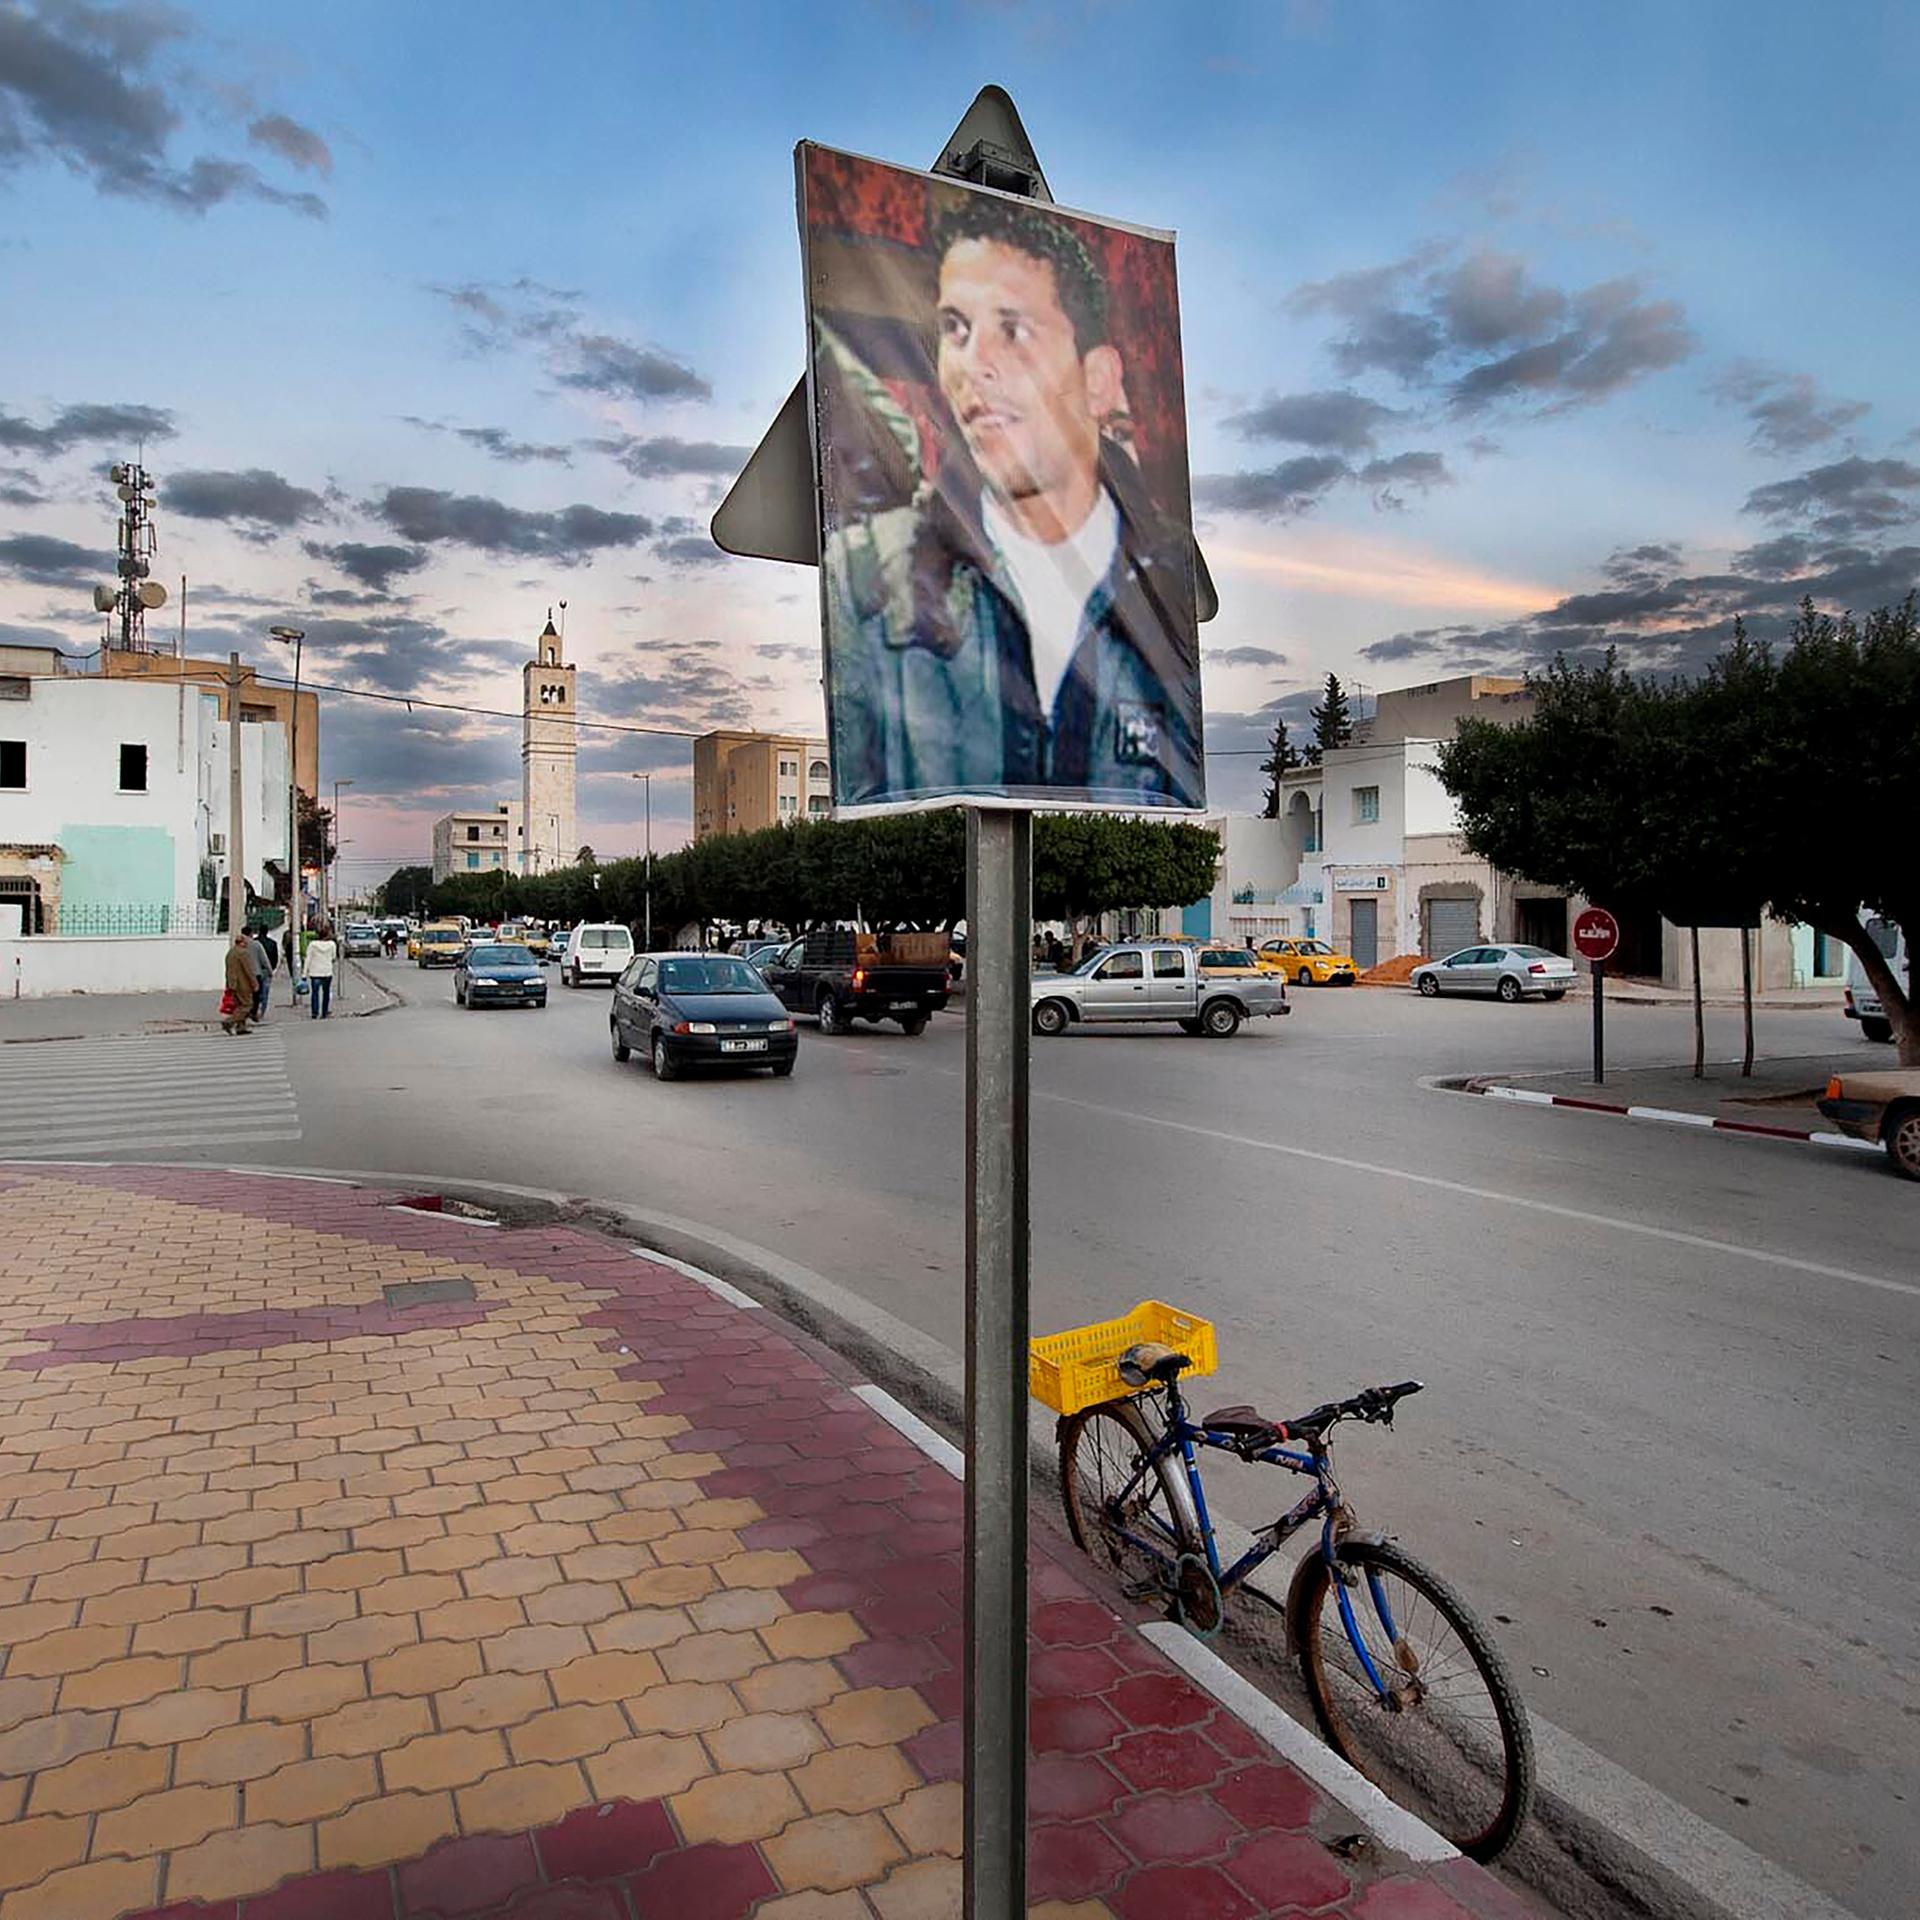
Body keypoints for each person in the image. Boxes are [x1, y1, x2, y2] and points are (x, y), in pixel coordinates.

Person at [823, 191, 1203, 810]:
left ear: (1099, 379)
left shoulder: (1165, 584)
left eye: (1014, 329)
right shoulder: (867, 577)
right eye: (956, 330)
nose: (975, 366)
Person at [222, 932, 257, 1035]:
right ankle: (229, 1022)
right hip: (243, 984)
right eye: (245, 942)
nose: (246, 944)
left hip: (232, 983)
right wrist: (254, 983)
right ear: (242, 943)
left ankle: (241, 1027)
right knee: (247, 1005)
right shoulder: (243, 953)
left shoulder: (231, 953)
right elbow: (248, 970)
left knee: (239, 1005)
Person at [305, 922, 338, 1019]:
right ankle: (324, 1012)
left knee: (315, 993)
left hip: (315, 972)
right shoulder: (332, 944)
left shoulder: (312, 945)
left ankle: (314, 1012)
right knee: (326, 992)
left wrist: (304, 974)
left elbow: (308, 959)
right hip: (327, 971)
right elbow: (333, 957)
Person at [250, 926, 279, 1022]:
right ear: (267, 932)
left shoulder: (253, 943)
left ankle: (254, 1010)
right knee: (265, 992)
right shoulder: (272, 943)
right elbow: (275, 958)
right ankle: (261, 1012)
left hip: (255, 971)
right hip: (266, 971)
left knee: (256, 992)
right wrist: (272, 969)